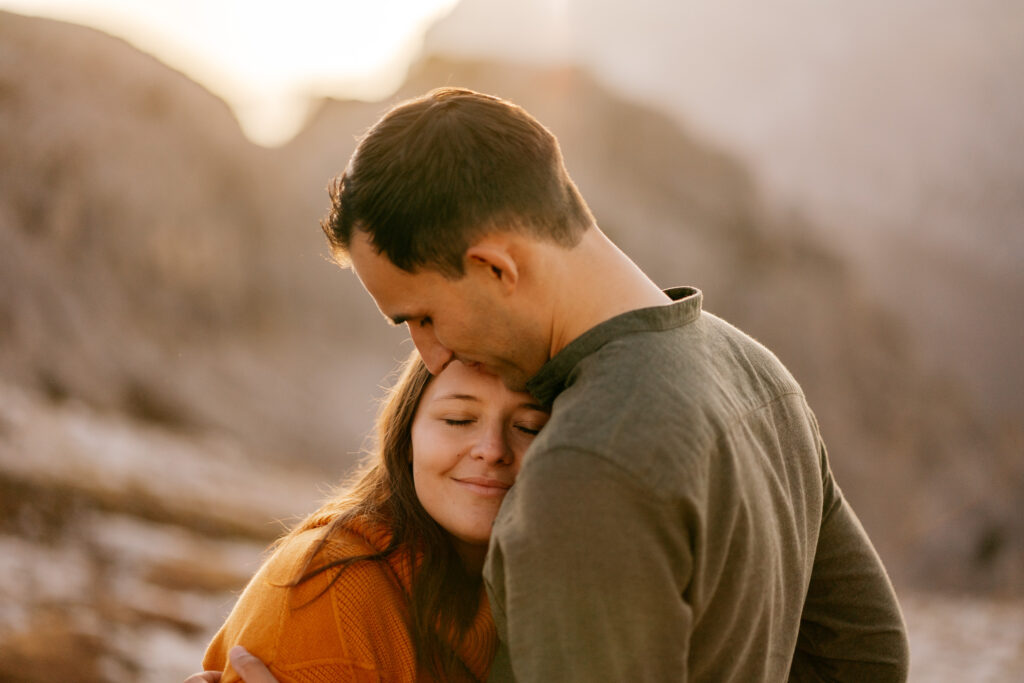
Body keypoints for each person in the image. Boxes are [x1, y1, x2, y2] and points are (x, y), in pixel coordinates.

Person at [195, 87, 910, 681]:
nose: (431, 355)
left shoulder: (584, 468)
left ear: (496, 267)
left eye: (423, 316)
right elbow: (871, 653)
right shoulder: (758, 371)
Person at [194, 352, 549, 682]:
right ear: (407, 437)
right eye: (458, 420)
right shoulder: (330, 589)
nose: (492, 450)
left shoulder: (547, 599)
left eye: (530, 426)